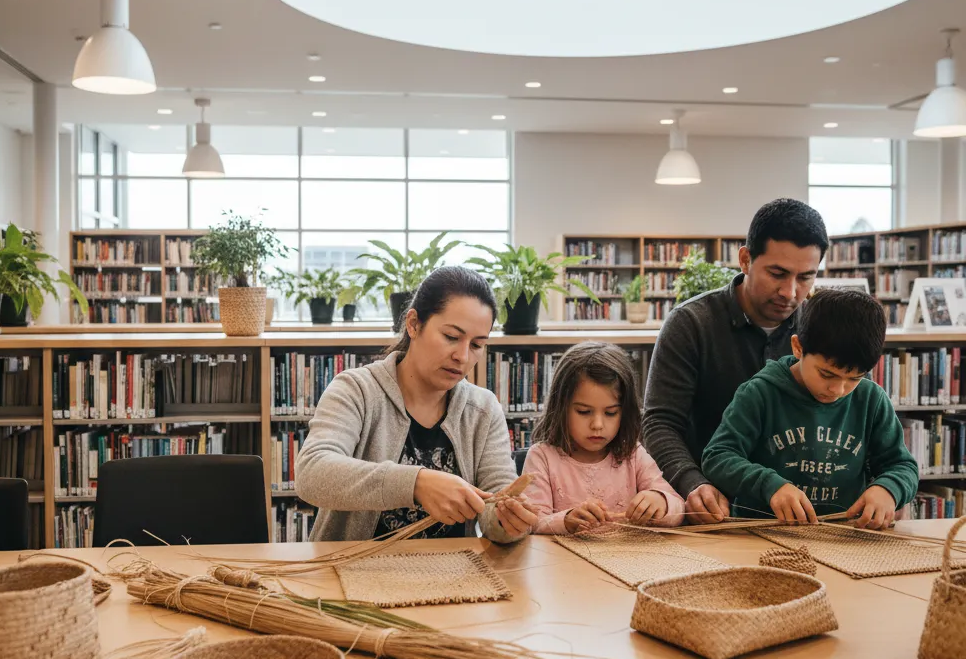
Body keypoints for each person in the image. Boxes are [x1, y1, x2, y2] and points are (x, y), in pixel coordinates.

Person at [296, 265, 536, 543]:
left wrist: (510, 523)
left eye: (476, 345)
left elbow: (495, 509)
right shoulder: (356, 390)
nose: (462, 356)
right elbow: (312, 473)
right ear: (413, 324)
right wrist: (417, 483)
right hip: (353, 572)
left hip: (451, 577)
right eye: (451, 337)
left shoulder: (482, 409)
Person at [642, 198, 830, 523]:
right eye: (777, 273)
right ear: (745, 259)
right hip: (715, 512)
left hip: (804, 516)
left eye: (805, 278)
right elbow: (660, 424)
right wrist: (692, 483)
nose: (790, 292)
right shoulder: (691, 324)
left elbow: (859, 411)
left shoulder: (825, 326)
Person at [701, 289, 919, 528]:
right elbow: (718, 457)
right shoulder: (760, 393)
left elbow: (902, 466)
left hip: (843, 536)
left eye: (854, 378)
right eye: (827, 374)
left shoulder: (871, 400)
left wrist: (888, 489)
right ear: (797, 347)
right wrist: (770, 485)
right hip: (762, 534)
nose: (838, 389)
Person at [523, 342, 684, 534]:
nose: (597, 425)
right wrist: (565, 521)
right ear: (560, 408)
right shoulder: (542, 457)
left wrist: (661, 501)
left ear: (625, 412)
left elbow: (679, 508)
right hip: (564, 562)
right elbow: (530, 523)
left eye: (610, 413)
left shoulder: (632, 454)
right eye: (584, 412)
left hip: (629, 560)